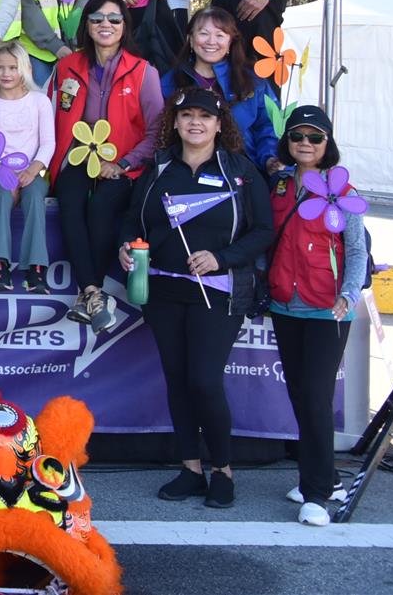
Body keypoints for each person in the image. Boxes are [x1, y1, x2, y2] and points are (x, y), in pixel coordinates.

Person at [118, 86, 273, 510]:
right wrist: (125, 246)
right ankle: (190, 468)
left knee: (204, 380)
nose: (195, 123)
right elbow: (132, 220)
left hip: (216, 294)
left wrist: (221, 258)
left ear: (219, 125)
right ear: (176, 122)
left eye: (205, 117)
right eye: (187, 116)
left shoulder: (240, 171)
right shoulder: (160, 167)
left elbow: (263, 230)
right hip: (163, 290)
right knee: (178, 380)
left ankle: (222, 470)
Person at [264, 105, 368, 525]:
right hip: (284, 303)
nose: (305, 143)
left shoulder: (344, 191)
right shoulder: (279, 185)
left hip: (328, 308)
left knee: (315, 396)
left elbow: (357, 250)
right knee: (299, 394)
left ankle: (318, 493)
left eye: (314, 137)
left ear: (328, 143)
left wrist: (349, 293)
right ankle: (326, 476)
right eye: (297, 136)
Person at [52, 0, 164, 332]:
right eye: (97, 18)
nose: (106, 24)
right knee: (69, 199)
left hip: (127, 165)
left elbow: (157, 132)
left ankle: (90, 292)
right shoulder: (66, 66)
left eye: (114, 19)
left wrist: (124, 163)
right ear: (86, 25)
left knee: (101, 205)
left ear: (124, 25)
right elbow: (50, 115)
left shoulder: (143, 72)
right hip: (78, 158)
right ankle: (92, 294)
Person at [0, 39, 56, 294]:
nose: (6, 74)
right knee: (1, 195)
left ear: (25, 69)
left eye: (13, 67)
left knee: (34, 196)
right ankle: (0, 266)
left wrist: (33, 169)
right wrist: (8, 176)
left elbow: (48, 143)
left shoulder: (40, 101)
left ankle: (36, 268)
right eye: (0, 68)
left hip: (36, 168)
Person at [165, 8, 281, 170]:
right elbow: (162, 130)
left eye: (220, 35)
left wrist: (270, 159)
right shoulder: (171, 81)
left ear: (230, 42)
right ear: (191, 38)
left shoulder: (253, 81)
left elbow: (268, 126)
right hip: (186, 169)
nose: (211, 41)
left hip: (245, 168)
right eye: (203, 33)